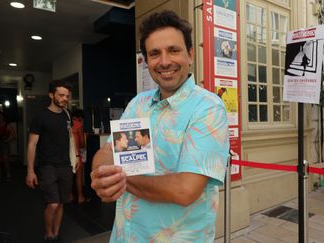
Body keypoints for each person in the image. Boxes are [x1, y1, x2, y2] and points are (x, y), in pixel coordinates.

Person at [90, 10, 229, 242]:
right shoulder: (138, 104)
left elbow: (184, 190)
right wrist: (102, 175)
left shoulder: (208, 108)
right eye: (155, 54)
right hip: (125, 236)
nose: (164, 61)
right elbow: (107, 152)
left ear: (190, 54)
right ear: (147, 61)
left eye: (174, 50)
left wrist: (120, 179)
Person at [26, 80, 74, 243]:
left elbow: (70, 138)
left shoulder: (67, 115)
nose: (64, 98)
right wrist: (30, 171)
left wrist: (76, 159)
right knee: (52, 204)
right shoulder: (41, 117)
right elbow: (32, 145)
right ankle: (48, 234)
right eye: (61, 95)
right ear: (51, 95)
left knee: (61, 203)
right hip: (47, 167)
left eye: (67, 96)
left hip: (65, 166)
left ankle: (56, 233)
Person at [71, 109, 88, 204]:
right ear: (80, 118)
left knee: (69, 175)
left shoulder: (68, 124)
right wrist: (83, 150)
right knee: (79, 175)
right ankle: (80, 197)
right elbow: (81, 142)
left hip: (67, 153)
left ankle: (69, 195)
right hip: (77, 153)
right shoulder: (79, 124)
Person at [0, 112, 16, 182]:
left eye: (0, 116)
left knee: (6, 160)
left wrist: (7, 140)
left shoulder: (8, 125)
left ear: (3, 117)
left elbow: (14, 135)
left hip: (4, 144)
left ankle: (8, 174)